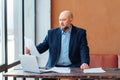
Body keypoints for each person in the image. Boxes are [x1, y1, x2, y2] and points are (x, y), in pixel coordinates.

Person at [26, 10, 90, 80]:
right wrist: (31, 50)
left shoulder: (80, 33)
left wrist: (84, 62)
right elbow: (43, 46)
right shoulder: (51, 33)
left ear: (71, 19)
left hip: (73, 66)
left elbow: (83, 49)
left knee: (87, 79)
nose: (61, 22)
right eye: (60, 20)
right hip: (54, 66)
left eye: (64, 20)